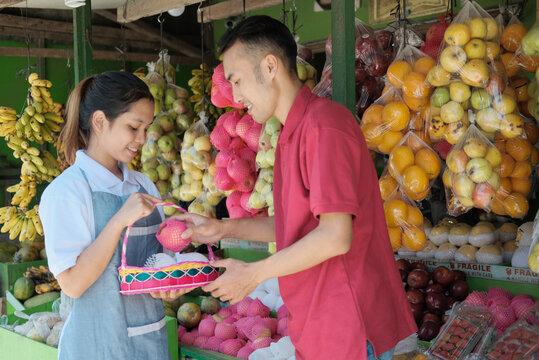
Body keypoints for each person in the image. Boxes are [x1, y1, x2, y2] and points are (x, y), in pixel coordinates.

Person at [173, 16, 417, 360]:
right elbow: (295, 227)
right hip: (318, 324)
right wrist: (222, 229)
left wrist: (253, 273)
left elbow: (335, 235)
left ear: (270, 66)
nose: (236, 95)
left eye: (237, 80)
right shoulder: (290, 133)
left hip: (348, 327)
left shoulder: (324, 126)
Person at [40, 71, 188, 360]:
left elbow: (154, 262)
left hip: (149, 340)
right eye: (134, 127)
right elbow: (73, 283)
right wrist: (119, 220)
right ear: (99, 122)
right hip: (96, 346)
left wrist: (167, 283)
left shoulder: (143, 184)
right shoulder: (67, 191)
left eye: (147, 128)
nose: (142, 139)